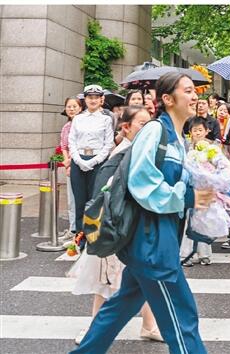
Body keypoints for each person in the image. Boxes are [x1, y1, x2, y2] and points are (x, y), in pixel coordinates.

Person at [70, 73, 212, 354]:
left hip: (156, 239)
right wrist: (187, 196)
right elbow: (142, 181)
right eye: (188, 91)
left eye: (195, 91)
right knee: (181, 317)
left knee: (121, 306)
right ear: (168, 99)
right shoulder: (155, 131)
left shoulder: (178, 139)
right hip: (152, 241)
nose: (195, 96)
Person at [69, 105, 162, 344]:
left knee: (143, 279)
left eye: (149, 122)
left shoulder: (139, 150)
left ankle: (149, 325)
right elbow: (105, 194)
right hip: (117, 229)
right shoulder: (122, 154)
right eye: (142, 123)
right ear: (126, 127)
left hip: (131, 229)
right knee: (106, 282)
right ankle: (95, 329)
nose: (147, 127)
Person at [68, 85, 114, 236]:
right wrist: (79, 160)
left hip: (98, 162)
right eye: (90, 97)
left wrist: (93, 161)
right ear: (85, 99)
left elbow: (108, 144)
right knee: (79, 200)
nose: (93, 100)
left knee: (94, 200)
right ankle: (79, 236)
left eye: (96, 97)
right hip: (78, 160)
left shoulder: (106, 119)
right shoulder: (78, 119)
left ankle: (93, 236)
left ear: (102, 99)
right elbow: (71, 141)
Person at [180, 117, 215, 267]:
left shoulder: (213, 147)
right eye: (195, 130)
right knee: (188, 220)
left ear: (207, 131)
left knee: (204, 220)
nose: (198, 133)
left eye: (200, 130)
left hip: (206, 187)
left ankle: (204, 254)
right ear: (190, 132)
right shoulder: (185, 146)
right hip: (189, 187)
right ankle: (186, 253)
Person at [60, 97, 82, 238]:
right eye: (69, 106)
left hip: (81, 164)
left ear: (80, 108)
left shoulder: (84, 124)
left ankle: (83, 228)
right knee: (71, 199)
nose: (72, 109)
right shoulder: (66, 127)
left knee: (82, 198)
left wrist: (72, 160)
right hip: (70, 165)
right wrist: (66, 162)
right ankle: (72, 228)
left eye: (74, 106)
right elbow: (63, 146)